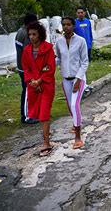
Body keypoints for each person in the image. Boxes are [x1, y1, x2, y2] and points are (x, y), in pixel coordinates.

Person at [21, 21, 56, 157]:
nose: (31, 37)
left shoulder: (48, 48)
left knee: (44, 114)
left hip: (46, 85)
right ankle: (46, 136)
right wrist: (32, 81)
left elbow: (49, 67)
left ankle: (46, 142)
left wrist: (40, 80)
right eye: (30, 34)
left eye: (34, 34)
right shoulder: (26, 51)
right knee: (37, 112)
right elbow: (26, 67)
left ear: (40, 35)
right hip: (33, 86)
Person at [55, 17, 89, 150]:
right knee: (70, 105)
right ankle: (76, 124)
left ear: (73, 26)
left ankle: (78, 137)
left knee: (75, 105)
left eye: (69, 24)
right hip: (66, 79)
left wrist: (79, 79)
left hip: (78, 79)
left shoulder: (81, 41)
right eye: (64, 25)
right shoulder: (58, 41)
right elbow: (59, 57)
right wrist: (49, 66)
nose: (66, 27)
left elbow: (85, 61)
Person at [15, 13, 38, 124]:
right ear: (31, 22)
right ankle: (26, 116)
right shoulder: (27, 34)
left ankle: (30, 114)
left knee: (27, 91)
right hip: (26, 69)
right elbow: (28, 53)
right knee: (28, 92)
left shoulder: (20, 31)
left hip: (21, 68)